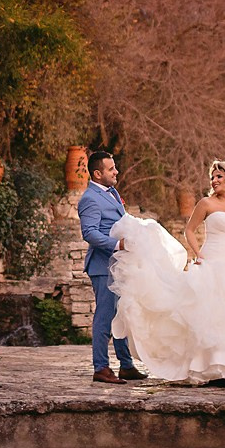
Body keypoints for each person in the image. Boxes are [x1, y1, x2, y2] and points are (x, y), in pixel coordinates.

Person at [107, 159, 225, 385]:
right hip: (211, 261)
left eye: (219, 177)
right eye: (213, 177)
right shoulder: (206, 203)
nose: (214, 181)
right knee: (210, 314)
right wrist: (198, 254)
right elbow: (189, 230)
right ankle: (210, 369)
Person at [78, 150, 144, 384]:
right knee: (104, 318)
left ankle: (126, 365)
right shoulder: (89, 199)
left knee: (122, 315)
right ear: (97, 173)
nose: (116, 171)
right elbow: (90, 233)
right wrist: (119, 244)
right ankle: (101, 368)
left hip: (120, 265)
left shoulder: (112, 193)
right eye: (111, 169)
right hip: (103, 266)